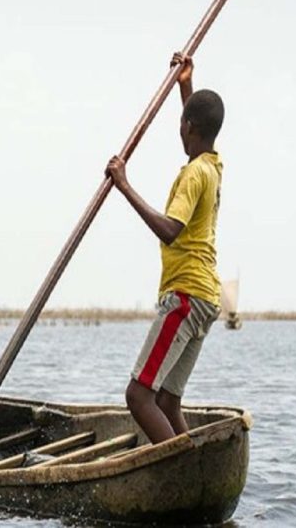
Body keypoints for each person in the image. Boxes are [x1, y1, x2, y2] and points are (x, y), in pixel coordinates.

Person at [106, 53, 224, 443]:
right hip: (206, 297)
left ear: (187, 126)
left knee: (138, 396)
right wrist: (185, 85)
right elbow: (197, 128)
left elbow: (171, 230)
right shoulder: (211, 165)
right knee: (168, 402)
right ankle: (196, 466)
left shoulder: (194, 174)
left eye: (182, 124)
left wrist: (124, 185)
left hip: (186, 296)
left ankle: (181, 471)